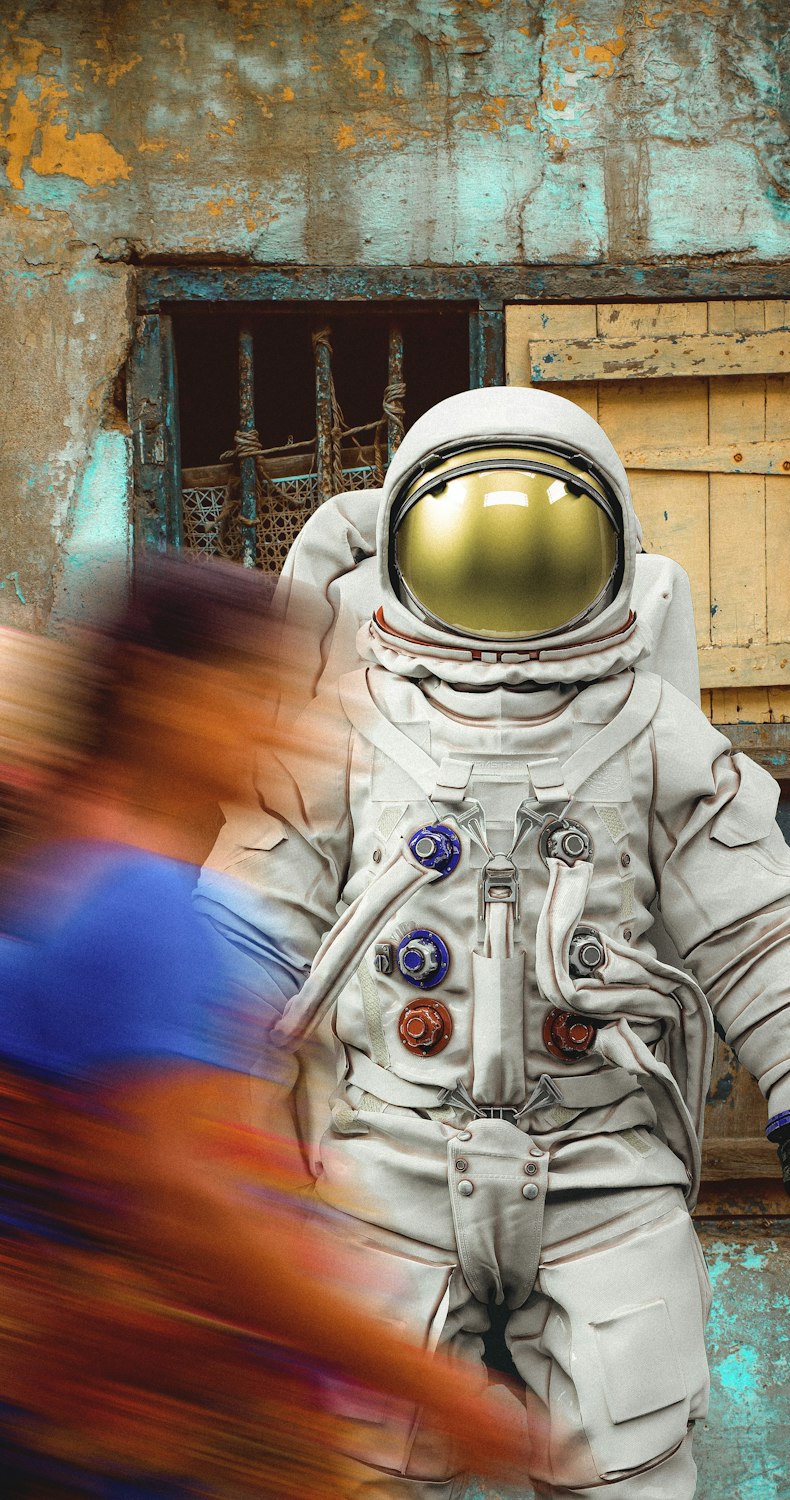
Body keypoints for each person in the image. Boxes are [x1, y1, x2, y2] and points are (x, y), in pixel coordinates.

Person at [198, 386, 790, 1499]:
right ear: (409, 544)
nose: (508, 568)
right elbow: (255, 920)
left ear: (607, 543)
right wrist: (191, 1085)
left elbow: (753, 930)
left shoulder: (651, 731)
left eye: (543, 538)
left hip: (601, 1160)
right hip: (391, 1153)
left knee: (630, 1463)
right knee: (355, 1463)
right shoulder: (346, 718)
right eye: (475, 537)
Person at [0, 559, 531, 1499]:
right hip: (152, 1443)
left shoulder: (57, 877)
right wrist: (432, 1388)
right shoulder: (140, 907)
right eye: (256, 695)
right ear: (165, 699)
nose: (286, 731)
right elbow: (190, 1208)